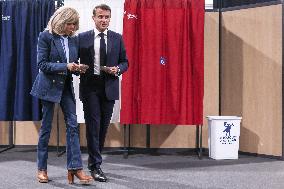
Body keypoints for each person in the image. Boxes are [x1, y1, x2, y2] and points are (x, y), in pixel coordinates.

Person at [30, 7, 92, 184]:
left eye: (74, 24)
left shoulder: (74, 40)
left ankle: (75, 168)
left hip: (65, 88)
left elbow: (72, 64)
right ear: (60, 22)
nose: (73, 27)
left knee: (73, 125)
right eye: (69, 24)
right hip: (48, 87)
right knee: (46, 129)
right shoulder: (46, 37)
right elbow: (42, 64)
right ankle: (42, 169)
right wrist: (66, 66)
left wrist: (79, 69)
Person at [78, 4, 128, 182]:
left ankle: (94, 162)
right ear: (94, 18)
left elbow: (125, 62)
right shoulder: (82, 38)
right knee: (93, 126)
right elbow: (73, 62)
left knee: (102, 127)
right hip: (90, 87)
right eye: (100, 17)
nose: (104, 20)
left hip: (109, 88)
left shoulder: (117, 38)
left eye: (107, 17)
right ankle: (95, 166)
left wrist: (118, 69)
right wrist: (78, 69)